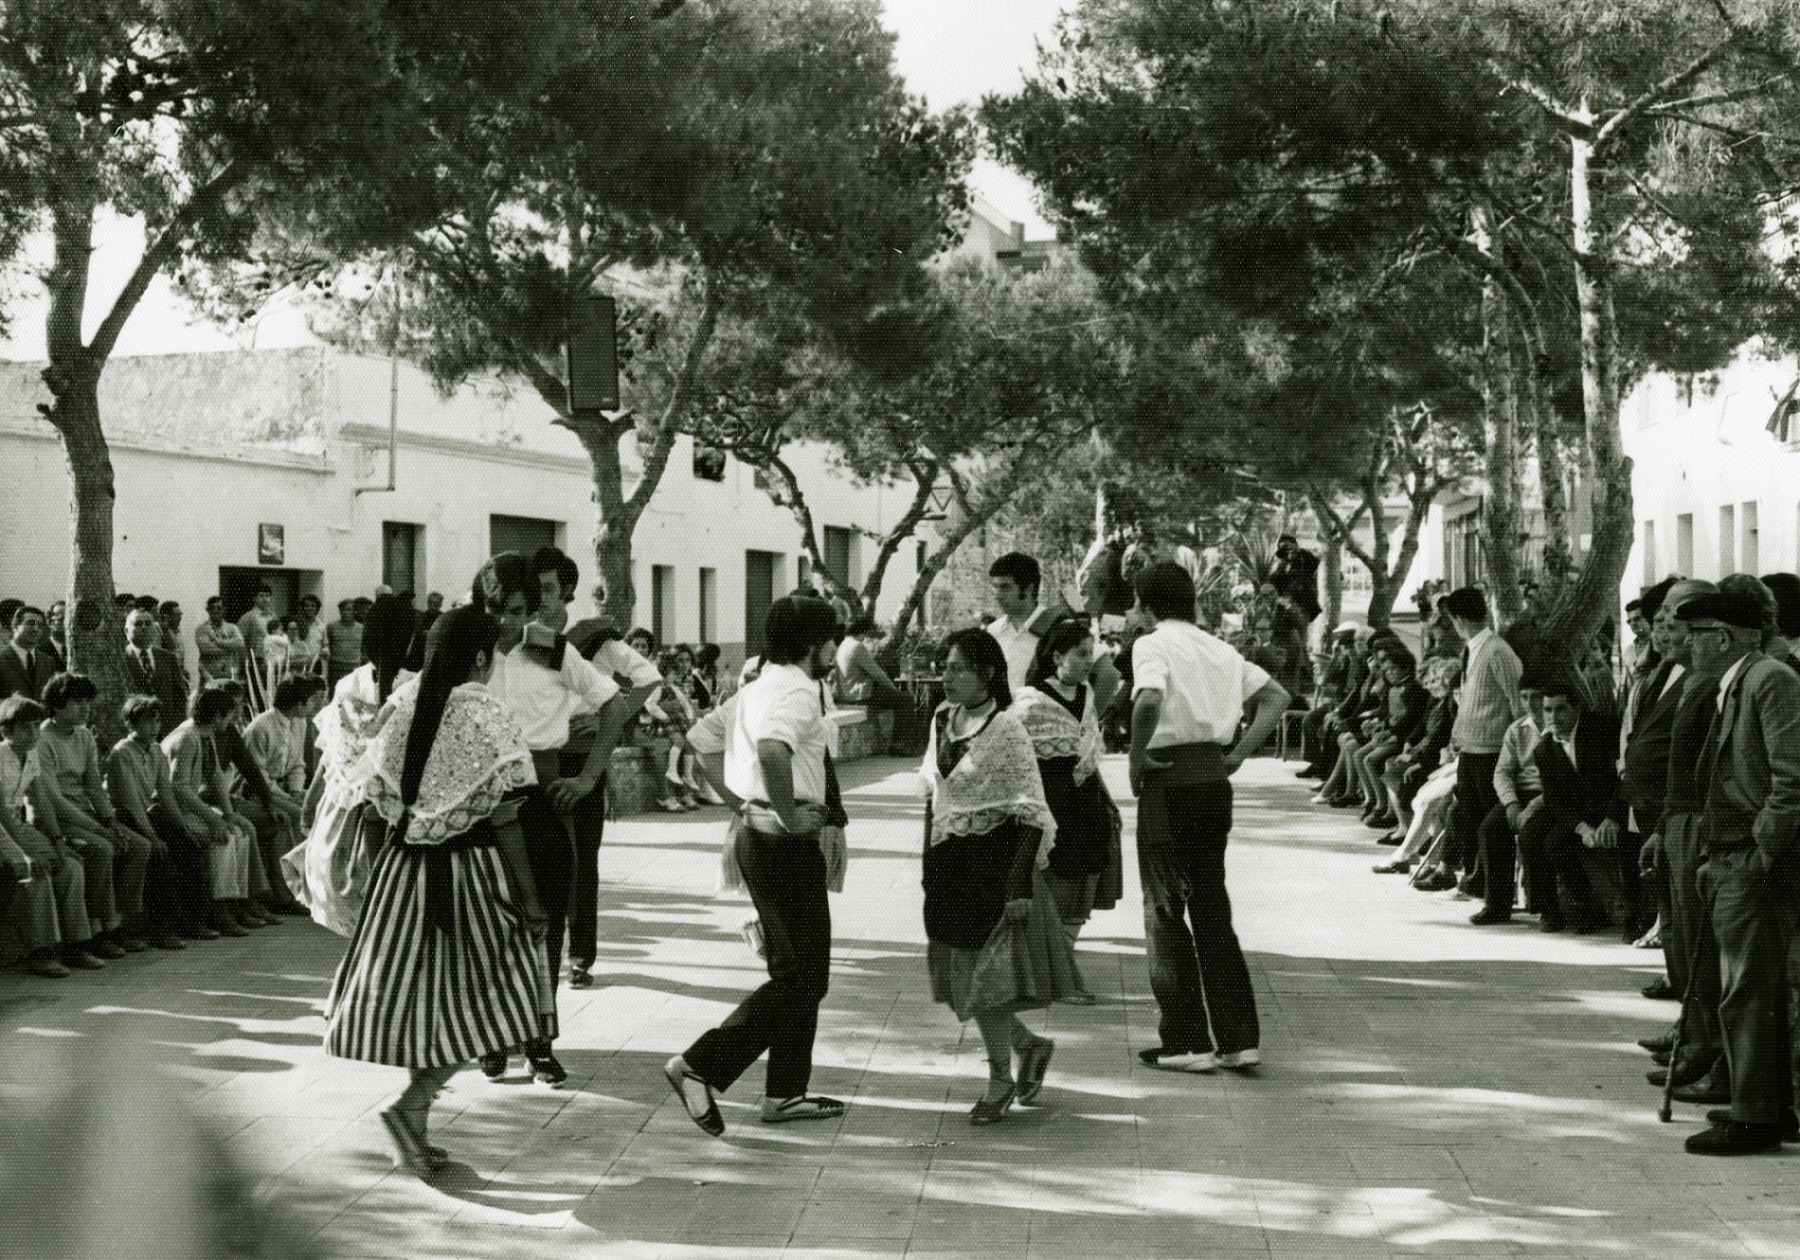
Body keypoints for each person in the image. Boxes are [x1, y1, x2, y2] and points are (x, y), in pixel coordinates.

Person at [323, 604, 550, 1177]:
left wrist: (382, 887)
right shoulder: (479, 710)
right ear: (479, 656)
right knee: (489, 998)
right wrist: (529, 896)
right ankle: (409, 1108)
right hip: (468, 874)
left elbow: (372, 807)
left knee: (434, 1004)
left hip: (404, 875)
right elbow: (504, 817)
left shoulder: (400, 704)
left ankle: (415, 1122)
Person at [664, 597, 848, 1137]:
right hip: (781, 845)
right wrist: (789, 816)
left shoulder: (759, 686)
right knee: (803, 977)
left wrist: (742, 803)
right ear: (812, 644)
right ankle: (700, 1065)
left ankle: (785, 1093)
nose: (834, 650)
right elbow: (772, 751)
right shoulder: (795, 689)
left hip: (760, 837)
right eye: (829, 640)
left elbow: (699, 741)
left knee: (797, 974)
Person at [474, 553, 634, 1089]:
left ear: (535, 605)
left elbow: (614, 703)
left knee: (545, 924)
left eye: (517, 610)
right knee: (487, 923)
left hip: (540, 796)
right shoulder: (463, 651)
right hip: (475, 806)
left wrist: (588, 777)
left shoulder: (550, 649)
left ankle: (540, 1044)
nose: (505, 623)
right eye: (494, 609)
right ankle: (491, 1037)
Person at [1128, 561, 1289, 1073]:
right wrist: (1239, 752)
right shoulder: (1220, 648)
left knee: (1165, 908)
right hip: (1212, 781)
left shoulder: (1152, 644)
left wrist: (1135, 756)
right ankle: (1239, 1038)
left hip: (1168, 778)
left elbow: (1149, 698)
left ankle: (1186, 1039)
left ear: (1148, 604)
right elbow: (1276, 697)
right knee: (1212, 906)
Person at [914, 627, 1073, 1122]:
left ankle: (1000, 1077)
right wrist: (926, 862)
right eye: (944, 666)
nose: (947, 676)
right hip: (948, 864)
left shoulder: (1007, 728)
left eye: (957, 667)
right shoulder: (943, 719)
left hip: (991, 866)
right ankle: (1029, 1045)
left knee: (986, 979)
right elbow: (933, 795)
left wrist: (1019, 884)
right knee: (960, 978)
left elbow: (1030, 808)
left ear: (987, 674)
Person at [1672, 589, 1800, 1155]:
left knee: (1749, 989)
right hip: (1731, 856)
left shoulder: (1770, 680)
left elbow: (1791, 781)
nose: (1685, 643)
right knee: (1746, 987)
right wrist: (1714, 855)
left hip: (1754, 862)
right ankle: (1764, 1105)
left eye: (1694, 633)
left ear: (1722, 638)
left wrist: (1757, 854)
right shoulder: (1743, 682)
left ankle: (1756, 1116)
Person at [289, 595, 419, 936]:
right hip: (396, 800)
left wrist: (312, 798)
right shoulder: (413, 685)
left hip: (347, 799)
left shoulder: (349, 683)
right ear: (408, 640)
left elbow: (331, 754)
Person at [1013, 617, 1121, 1006]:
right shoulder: (1030, 701)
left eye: (1091, 653)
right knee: (1055, 884)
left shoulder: (1088, 694)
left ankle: (1062, 971)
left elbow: (1089, 749)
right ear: (1057, 654)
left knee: (1082, 887)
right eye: (1080, 654)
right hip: (1052, 802)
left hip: (1086, 801)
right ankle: (1053, 977)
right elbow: (1015, 755)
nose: (1088, 661)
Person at [31, 673, 154, 956]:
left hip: (86, 814)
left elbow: (95, 787)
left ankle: (121, 924)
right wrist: (100, 830)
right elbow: (54, 799)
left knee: (139, 845)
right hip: (57, 818)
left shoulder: (85, 735)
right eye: (76, 702)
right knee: (101, 848)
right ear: (56, 704)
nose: (85, 708)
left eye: (87, 701)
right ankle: (97, 934)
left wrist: (111, 820)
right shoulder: (42, 739)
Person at [0, 696, 105, 975]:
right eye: (24, 728)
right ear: (6, 731)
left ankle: (76, 946)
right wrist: (26, 853)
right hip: (2, 830)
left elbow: (40, 800)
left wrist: (57, 841)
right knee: (36, 872)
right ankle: (42, 952)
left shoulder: (31, 754)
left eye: (36, 726)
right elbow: (1, 815)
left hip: (18, 827)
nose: (33, 734)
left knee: (70, 865)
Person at [1514, 679, 1622, 932]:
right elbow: (1554, 799)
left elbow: (1622, 779)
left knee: (1555, 843)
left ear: (1576, 709)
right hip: (1578, 814)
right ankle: (1548, 910)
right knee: (1530, 835)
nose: (1553, 716)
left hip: (1610, 809)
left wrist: (1612, 817)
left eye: (1560, 709)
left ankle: (1589, 909)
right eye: (1548, 710)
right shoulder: (1544, 749)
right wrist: (1581, 828)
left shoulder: (1602, 730)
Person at [104, 695, 210, 951]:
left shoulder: (156, 751)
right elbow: (129, 803)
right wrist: (153, 837)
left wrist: (183, 826)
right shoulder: (121, 754)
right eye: (146, 722)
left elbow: (165, 792)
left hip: (146, 815)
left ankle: (191, 919)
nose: (154, 727)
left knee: (188, 844)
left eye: (157, 721)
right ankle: (160, 929)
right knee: (159, 856)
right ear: (131, 724)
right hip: (124, 817)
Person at [1442, 588, 1525, 900]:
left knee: (1489, 826)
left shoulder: (1497, 651)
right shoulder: (1473, 650)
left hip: (1491, 753)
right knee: (1468, 818)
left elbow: (1518, 705)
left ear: (1459, 619)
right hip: (1470, 751)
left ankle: (1490, 888)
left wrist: (1514, 753)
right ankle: (1474, 879)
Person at [162, 684, 265, 937]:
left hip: (191, 808)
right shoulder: (187, 737)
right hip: (170, 810)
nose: (232, 720)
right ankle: (218, 909)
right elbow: (179, 787)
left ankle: (236, 902)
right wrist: (213, 819)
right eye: (229, 715)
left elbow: (216, 776)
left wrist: (229, 815)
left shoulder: (205, 734)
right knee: (223, 838)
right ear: (217, 716)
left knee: (239, 832)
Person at [1469, 680, 1546, 925]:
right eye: (1524, 697)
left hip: (1548, 795)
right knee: (1490, 829)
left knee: (1532, 834)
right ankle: (1496, 904)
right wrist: (1511, 803)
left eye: (1536, 696)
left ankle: (1543, 905)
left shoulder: (1557, 726)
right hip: (1520, 793)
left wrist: (1534, 805)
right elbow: (1502, 771)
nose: (1530, 703)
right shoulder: (1517, 729)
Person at [987, 552, 1058, 694]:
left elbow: (1105, 672)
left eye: (1005, 587)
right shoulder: (993, 631)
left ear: (1029, 589)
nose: (997, 595)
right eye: (995, 587)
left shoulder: (1057, 626)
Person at [124, 608, 190, 727]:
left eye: (148, 624)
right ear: (127, 631)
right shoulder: (121, 660)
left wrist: (177, 724)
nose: (144, 627)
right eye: (138, 624)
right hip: (135, 729)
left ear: (154, 629)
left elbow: (179, 696)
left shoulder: (168, 658)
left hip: (167, 728)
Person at [834, 613, 906, 710]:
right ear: (862, 631)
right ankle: (906, 725)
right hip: (858, 697)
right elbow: (878, 674)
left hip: (845, 694)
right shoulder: (856, 646)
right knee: (905, 699)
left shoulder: (842, 645)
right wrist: (894, 689)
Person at [0, 605, 56, 701]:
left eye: (40, 625)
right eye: (30, 623)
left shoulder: (47, 662)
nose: (35, 629)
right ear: (16, 626)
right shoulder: (2, 659)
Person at [1267, 534, 1322, 625]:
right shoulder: (1282, 565)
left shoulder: (1305, 556)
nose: (1288, 551)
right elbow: (1273, 583)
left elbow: (1319, 567)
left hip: (1304, 605)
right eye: (1284, 549)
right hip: (1287, 606)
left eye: (1288, 546)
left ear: (1295, 545)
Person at [194, 597, 247, 684]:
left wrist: (217, 641)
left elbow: (240, 644)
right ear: (207, 610)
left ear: (224, 609)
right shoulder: (202, 629)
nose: (215, 611)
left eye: (219, 608)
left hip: (229, 676)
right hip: (209, 676)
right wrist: (230, 648)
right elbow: (206, 649)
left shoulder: (232, 628)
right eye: (212, 608)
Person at [325, 599, 365, 690]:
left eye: (349, 609)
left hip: (354, 667)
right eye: (343, 609)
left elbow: (364, 648)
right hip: (336, 668)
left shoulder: (361, 628)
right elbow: (327, 645)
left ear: (355, 612)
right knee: (335, 694)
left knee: (352, 695)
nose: (345, 612)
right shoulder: (331, 627)